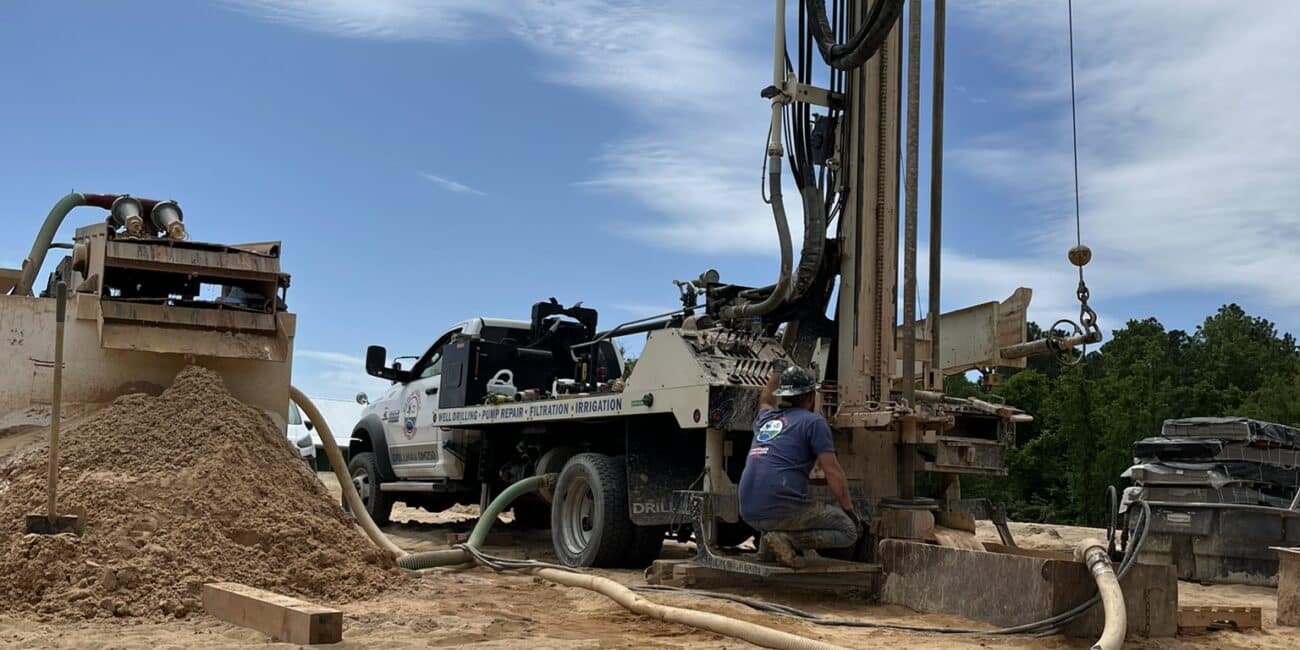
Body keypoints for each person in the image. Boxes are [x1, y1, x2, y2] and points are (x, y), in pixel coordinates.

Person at [738, 362, 862, 567]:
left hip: (748, 510)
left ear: (783, 395)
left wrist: (776, 372)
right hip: (776, 510)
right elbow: (833, 473)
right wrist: (849, 511)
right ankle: (788, 540)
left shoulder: (765, 419)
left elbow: (766, 399)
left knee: (786, 504)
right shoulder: (813, 422)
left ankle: (769, 548)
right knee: (848, 531)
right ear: (811, 398)